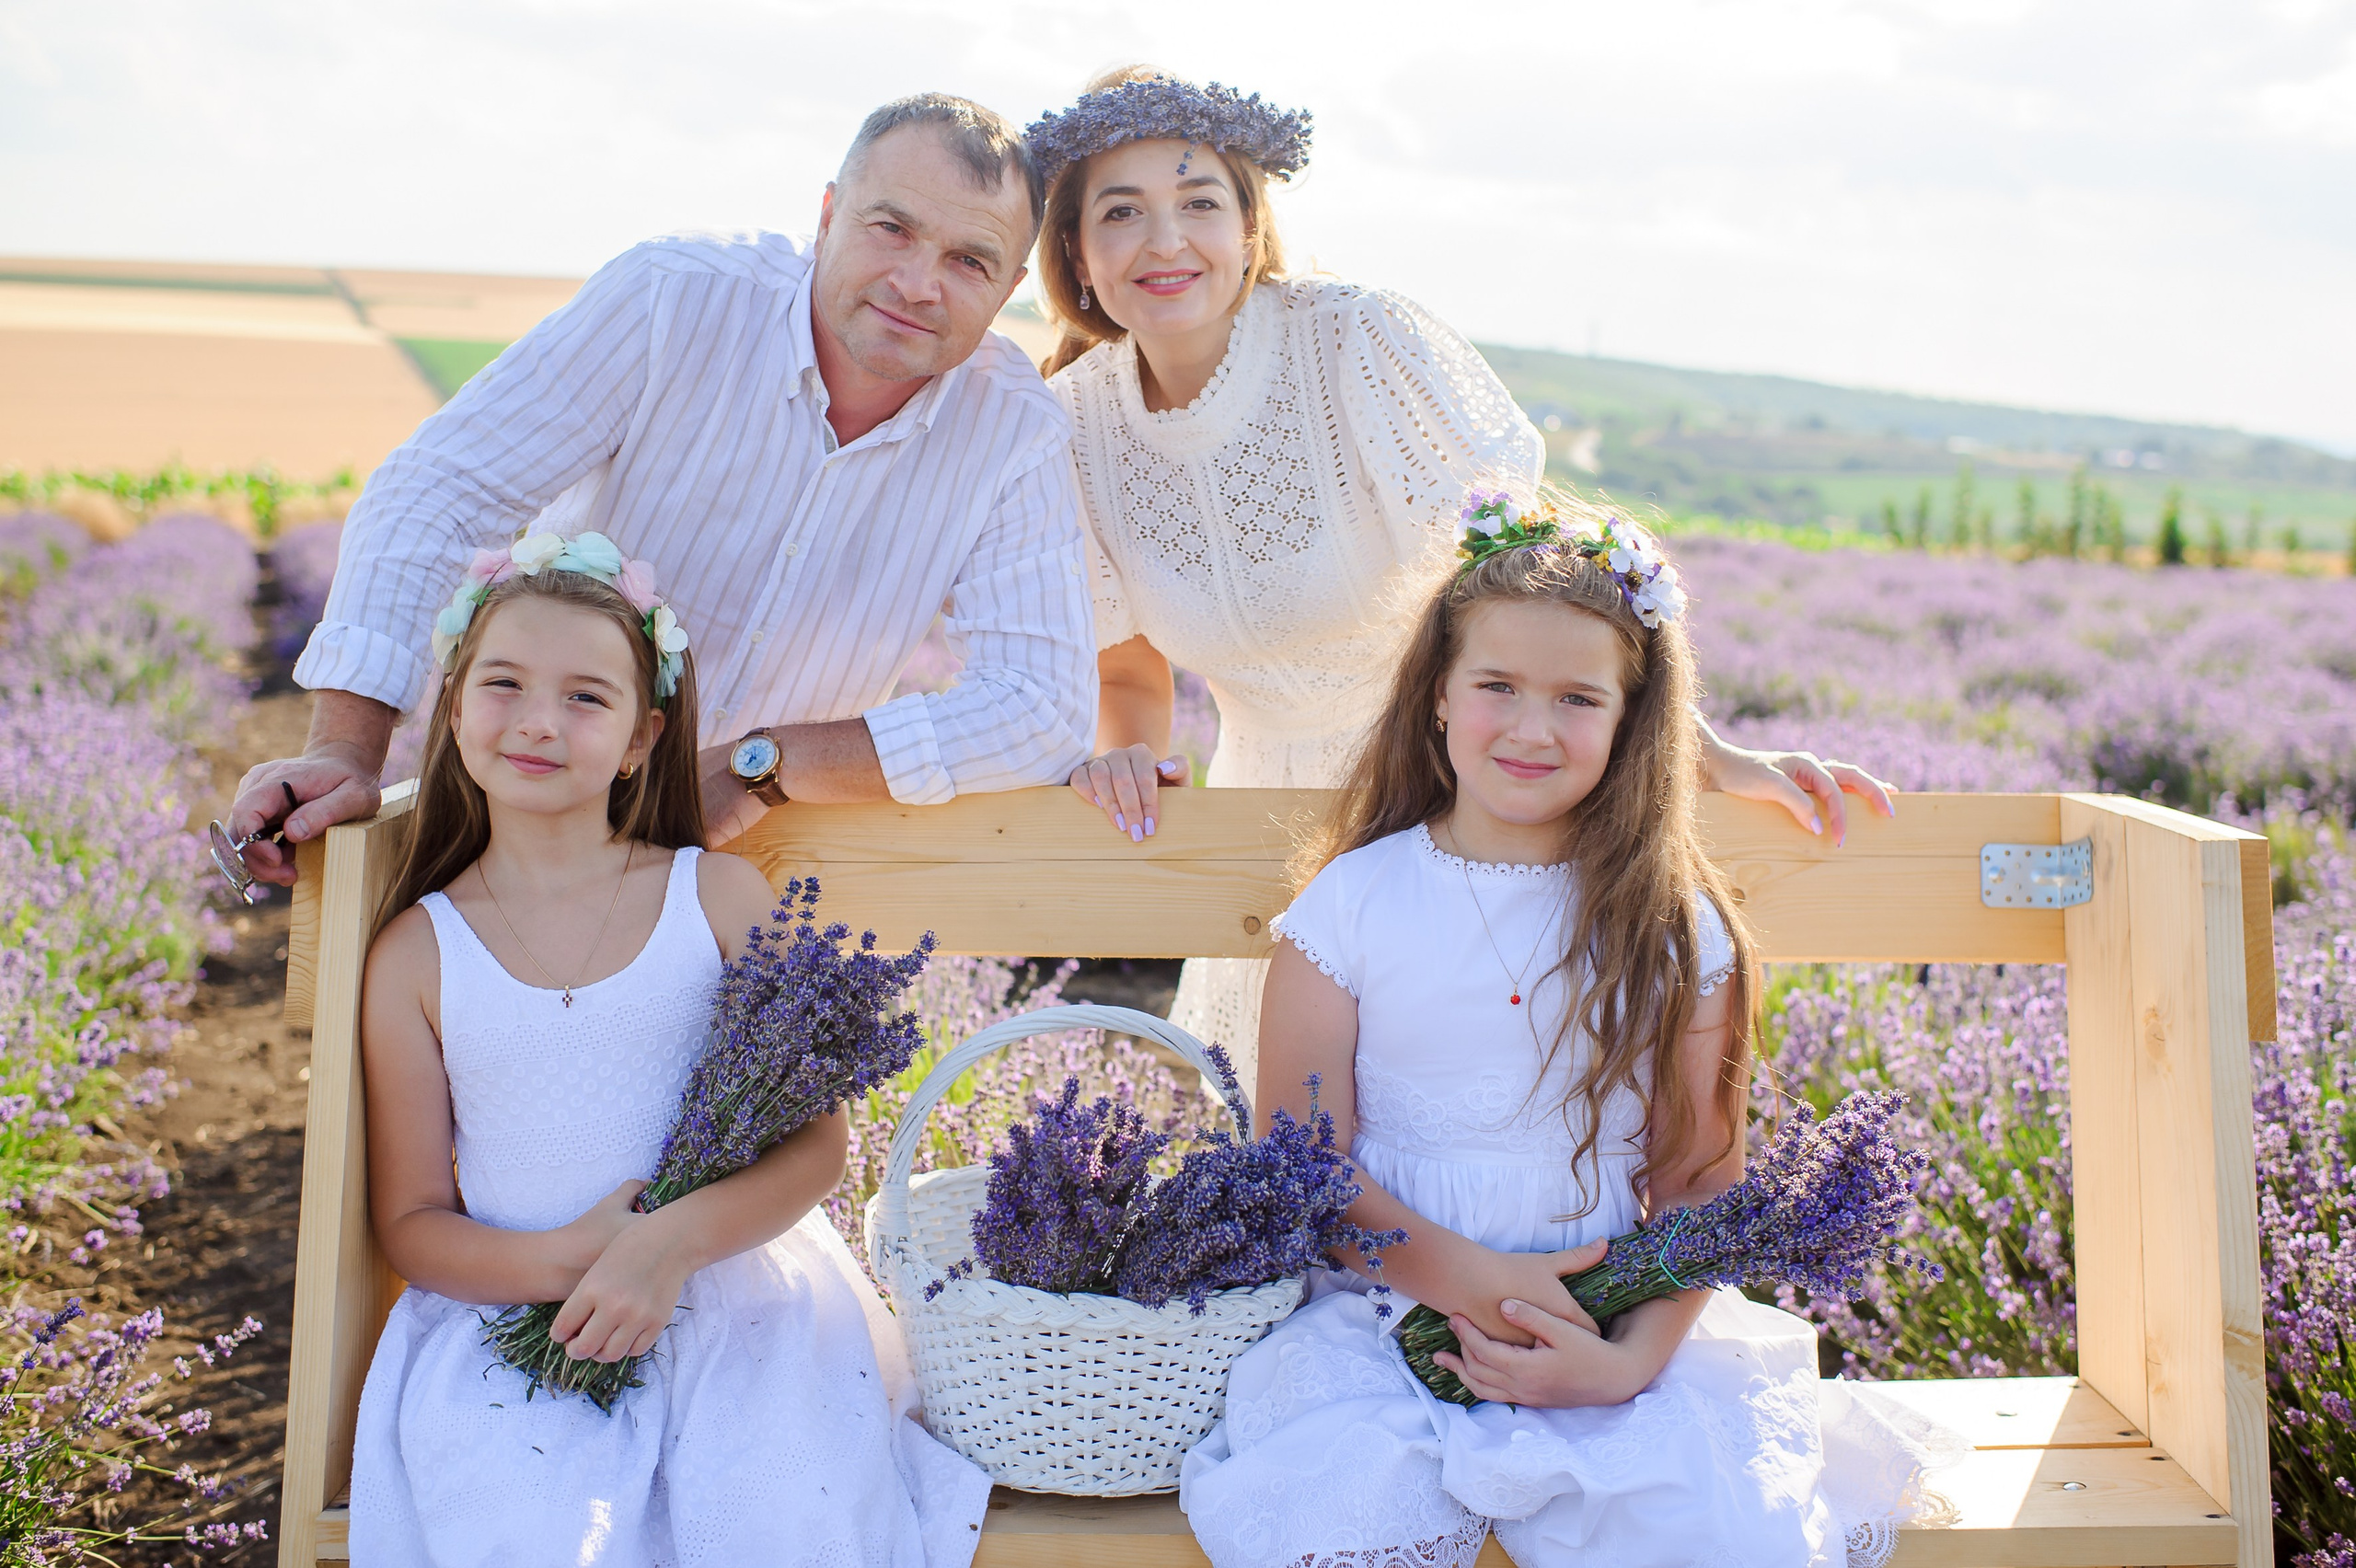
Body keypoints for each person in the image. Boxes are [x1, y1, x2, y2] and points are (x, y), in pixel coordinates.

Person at [1032, 69, 1894, 1083]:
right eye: (1121, 211)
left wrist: (1701, 752)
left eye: (1199, 203)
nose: (1164, 241)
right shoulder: (1073, 424)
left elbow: (1534, 576)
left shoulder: (1354, 341)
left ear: (1251, 224)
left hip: (1458, 791)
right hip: (1262, 828)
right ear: (1077, 252)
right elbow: (1126, 671)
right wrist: (1129, 759)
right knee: (1278, 1163)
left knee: (1462, 1133)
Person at [1178, 498, 1954, 1568]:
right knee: (1336, 1521)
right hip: (1385, 1315)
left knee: (1700, 1529)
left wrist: (1628, 1362)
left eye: (1577, 698)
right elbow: (1301, 1171)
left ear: (1633, 724)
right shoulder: (1350, 909)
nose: (1531, 727)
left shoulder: (1675, 927)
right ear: (1438, 699)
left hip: (1612, 1325)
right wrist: (1462, 1281)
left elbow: (1699, 1186)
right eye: (1496, 685)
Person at [223, 93, 1095, 883]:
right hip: (512, 823)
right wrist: (347, 747)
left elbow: (1041, 706)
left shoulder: (1015, 432)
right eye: (891, 229)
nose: (917, 283)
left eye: (970, 261)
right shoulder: (672, 300)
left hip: (747, 870)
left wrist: (765, 764)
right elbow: (441, 491)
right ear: (827, 215)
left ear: (1010, 288)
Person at [349, 534, 989, 1565]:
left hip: (740, 1310)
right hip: (521, 1325)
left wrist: (665, 1245)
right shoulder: (420, 953)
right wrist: (560, 1263)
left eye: (587, 698)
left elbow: (817, 1145)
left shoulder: (718, 898)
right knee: (524, 1533)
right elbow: (413, 1221)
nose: (539, 721)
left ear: (644, 738)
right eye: (503, 684)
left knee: (782, 1521)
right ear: (456, 704)